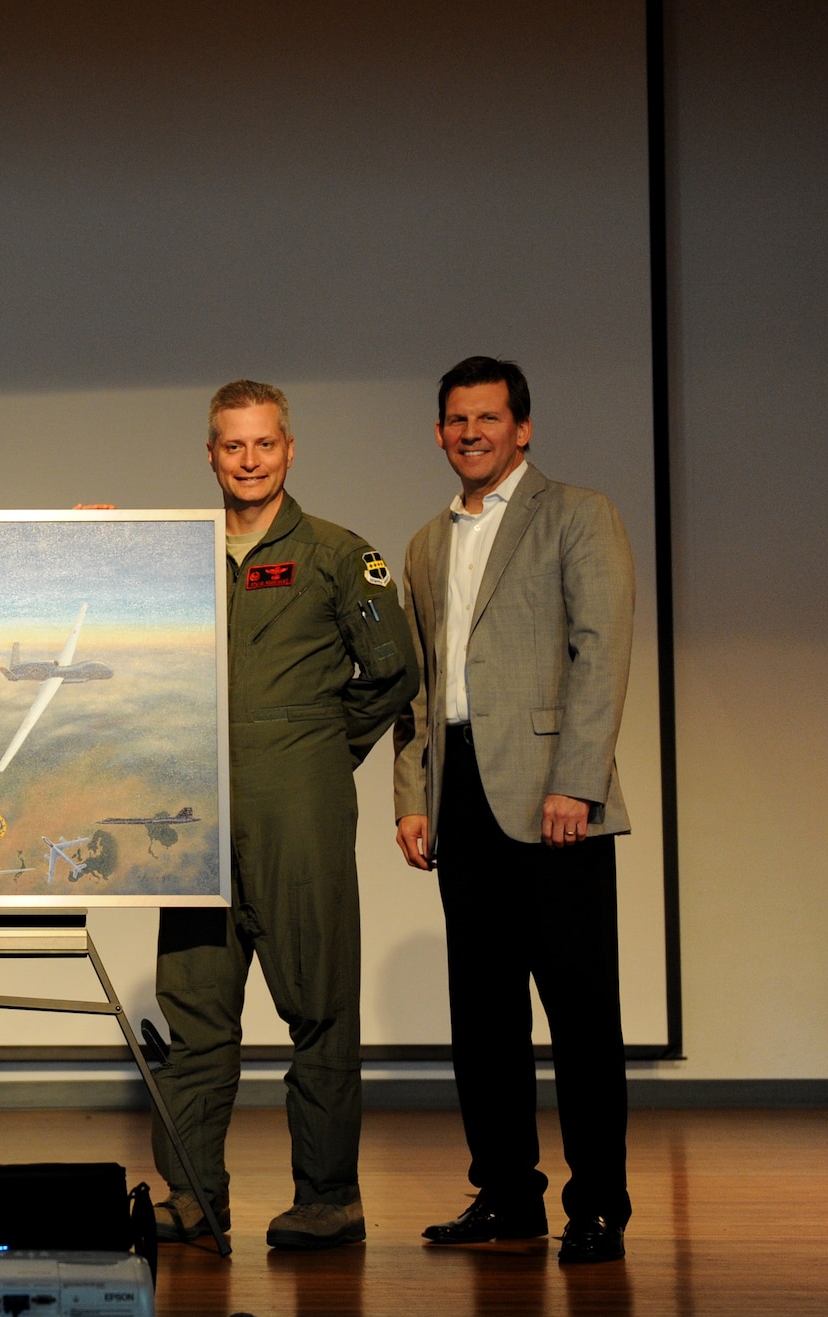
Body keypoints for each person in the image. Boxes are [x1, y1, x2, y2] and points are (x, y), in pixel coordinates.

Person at [151, 380, 417, 1250]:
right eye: (233, 446)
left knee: (319, 1006)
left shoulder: (339, 555)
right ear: (212, 454)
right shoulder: (182, 558)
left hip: (295, 814)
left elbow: (390, 671)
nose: (250, 461)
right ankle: (194, 1195)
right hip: (192, 821)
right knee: (194, 1013)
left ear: (289, 449)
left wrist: (309, 751)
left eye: (264, 444)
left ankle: (329, 1196)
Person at [392, 356, 635, 1265]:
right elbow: (421, 687)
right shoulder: (426, 542)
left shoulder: (577, 514)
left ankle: (598, 1205)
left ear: (522, 428)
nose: (471, 433)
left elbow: (600, 653)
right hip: (460, 801)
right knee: (483, 1015)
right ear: (439, 432)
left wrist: (577, 780)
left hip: (553, 799)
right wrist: (414, 796)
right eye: (456, 420)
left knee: (580, 1013)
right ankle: (507, 1197)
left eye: (488, 418)